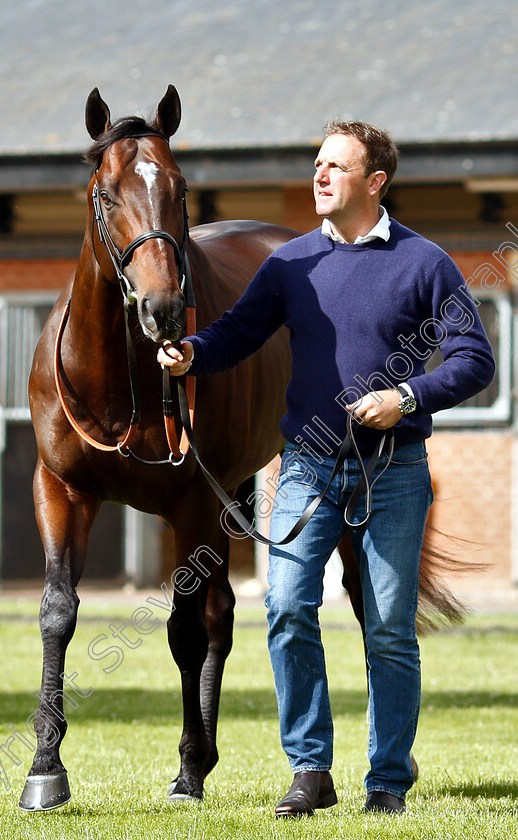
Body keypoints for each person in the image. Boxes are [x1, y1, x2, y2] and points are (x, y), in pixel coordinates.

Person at [158, 121, 495, 817]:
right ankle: (309, 769)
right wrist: (192, 352)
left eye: (334, 167)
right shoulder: (289, 264)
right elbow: (237, 333)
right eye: (316, 164)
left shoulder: (425, 262)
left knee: (390, 629)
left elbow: (473, 361)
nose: (318, 176)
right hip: (307, 470)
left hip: (394, 472)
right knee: (284, 607)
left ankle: (387, 781)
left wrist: (405, 397)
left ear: (374, 182)